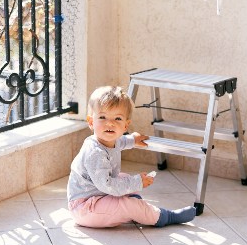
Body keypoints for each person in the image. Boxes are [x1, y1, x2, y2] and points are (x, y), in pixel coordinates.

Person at [67, 86, 196, 228]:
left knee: (123, 177)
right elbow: (107, 185)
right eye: (102, 117)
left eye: (117, 118)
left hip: (98, 196)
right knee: (126, 201)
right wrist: (136, 182)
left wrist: (132, 140)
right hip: (85, 208)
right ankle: (165, 216)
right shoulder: (95, 152)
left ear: (125, 126)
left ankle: (137, 209)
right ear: (91, 122)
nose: (110, 123)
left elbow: (119, 142)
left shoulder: (108, 140)